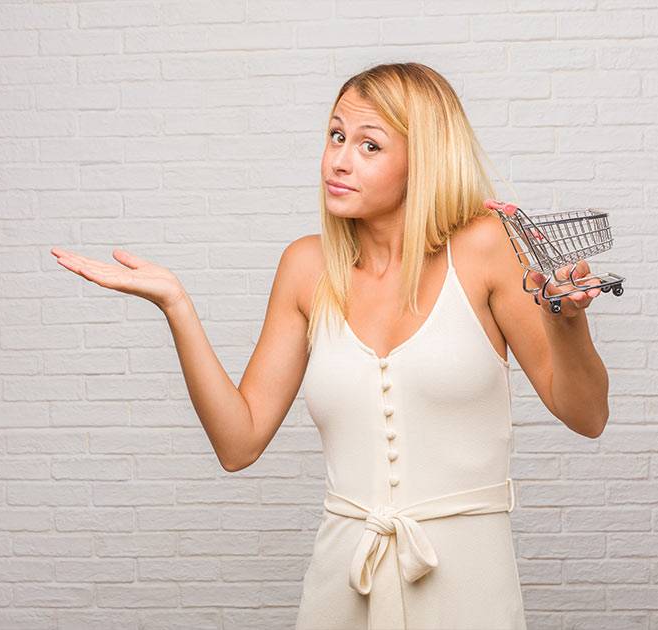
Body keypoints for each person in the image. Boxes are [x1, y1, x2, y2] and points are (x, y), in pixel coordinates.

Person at [51, 62, 610, 630]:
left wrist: (568, 323)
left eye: (370, 145)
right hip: (342, 585)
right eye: (336, 136)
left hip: (469, 586)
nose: (339, 160)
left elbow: (587, 416)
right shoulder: (305, 267)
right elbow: (237, 443)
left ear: (425, 160)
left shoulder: (486, 248)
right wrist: (177, 306)